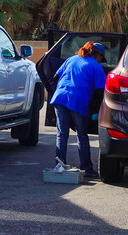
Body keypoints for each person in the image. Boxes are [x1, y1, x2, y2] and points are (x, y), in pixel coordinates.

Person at [50, 41, 106, 178]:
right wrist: (97, 110)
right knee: (81, 135)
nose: (101, 61)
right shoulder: (96, 67)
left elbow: (55, 77)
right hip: (78, 101)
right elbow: (100, 92)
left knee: (62, 134)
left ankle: (59, 166)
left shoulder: (71, 59)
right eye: (101, 58)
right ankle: (86, 168)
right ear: (97, 54)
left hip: (60, 98)